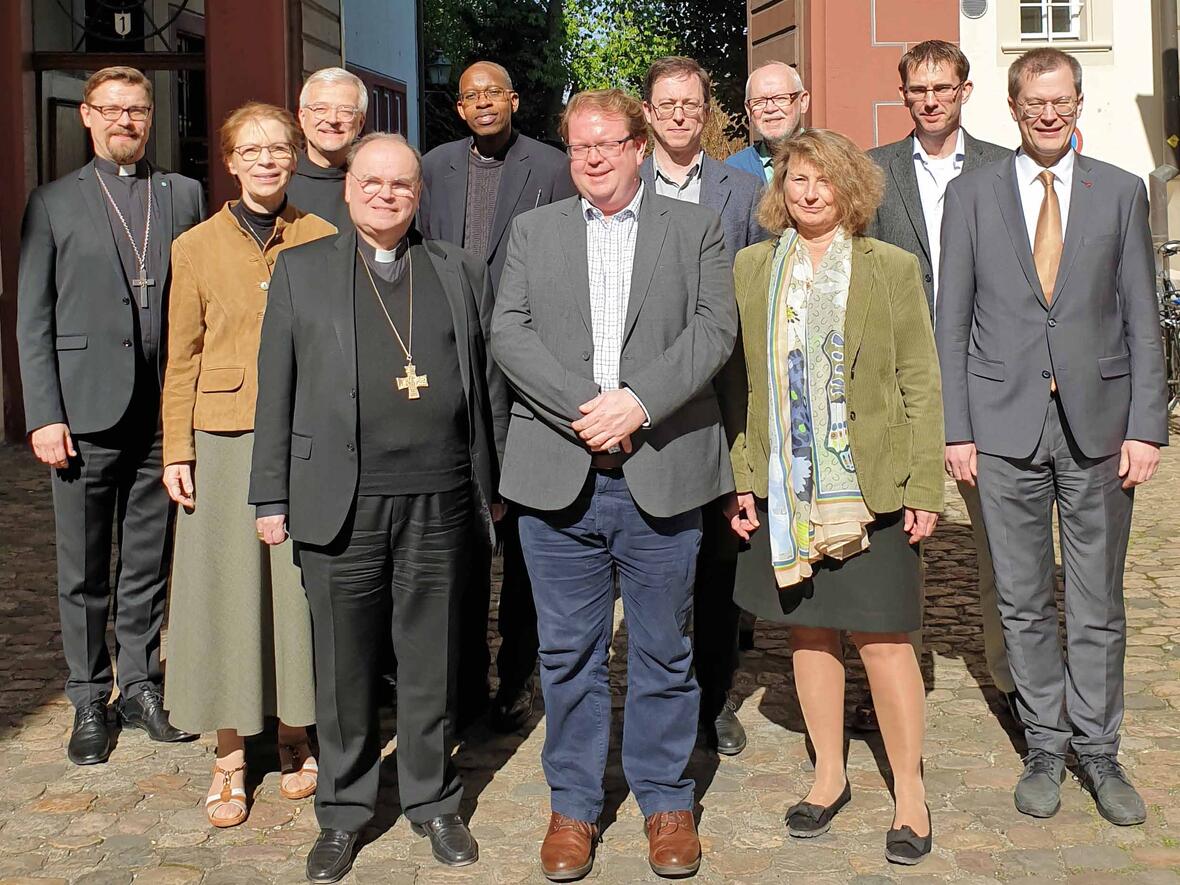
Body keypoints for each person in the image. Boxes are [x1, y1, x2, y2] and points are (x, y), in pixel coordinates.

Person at [491, 88, 737, 881]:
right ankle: (574, 803)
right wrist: (583, 410)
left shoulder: (694, 227)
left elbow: (715, 327)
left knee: (665, 648)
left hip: (660, 470)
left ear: (638, 146)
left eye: (605, 144)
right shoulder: (534, 230)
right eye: (578, 146)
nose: (591, 159)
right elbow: (508, 330)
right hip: (559, 477)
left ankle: (667, 799)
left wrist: (639, 401)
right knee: (567, 653)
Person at [249, 132, 508, 882]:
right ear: (348, 186)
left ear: (418, 193)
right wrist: (270, 493)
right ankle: (343, 810)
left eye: (402, 184)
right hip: (341, 501)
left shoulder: (456, 269)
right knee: (345, 664)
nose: (387, 194)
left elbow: (487, 385)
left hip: (440, 497)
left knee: (432, 659)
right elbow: (277, 392)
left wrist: (490, 485)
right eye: (373, 182)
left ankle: (433, 798)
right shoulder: (301, 272)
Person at [937, 48, 1167, 827]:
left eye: (1060, 100)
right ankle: (1044, 742)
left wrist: (1146, 427)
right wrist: (957, 428)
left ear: (1078, 102)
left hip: (1101, 428)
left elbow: (1142, 318)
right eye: (1034, 101)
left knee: (1098, 600)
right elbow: (951, 320)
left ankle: (1098, 751)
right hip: (1001, 430)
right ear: (1011, 104)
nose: (1047, 113)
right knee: (1023, 598)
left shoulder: (1120, 192)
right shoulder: (971, 195)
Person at [720, 129, 943, 865]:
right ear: (779, 190)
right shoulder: (752, 268)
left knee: (883, 638)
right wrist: (745, 476)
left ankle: (909, 793)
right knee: (810, 634)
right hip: (787, 490)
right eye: (795, 180)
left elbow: (919, 378)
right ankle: (827, 776)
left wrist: (922, 484)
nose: (809, 193)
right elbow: (744, 386)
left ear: (850, 189)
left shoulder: (892, 267)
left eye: (822, 180)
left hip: (870, 489)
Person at [17, 66, 204, 766]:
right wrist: (45, 413)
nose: (126, 120)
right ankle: (88, 696)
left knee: (149, 563)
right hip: (84, 412)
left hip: (162, 411)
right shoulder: (54, 202)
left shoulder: (181, 194)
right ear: (87, 118)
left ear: (151, 118)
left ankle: (139, 684)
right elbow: (32, 318)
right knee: (84, 565)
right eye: (113, 109)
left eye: (138, 110)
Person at [160, 102, 336, 827]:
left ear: (293, 158)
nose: (267, 159)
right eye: (252, 149)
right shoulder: (195, 246)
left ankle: (295, 733)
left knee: (294, 587)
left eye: (278, 148)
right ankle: (230, 749)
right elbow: (182, 356)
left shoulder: (323, 234)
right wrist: (177, 447)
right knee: (225, 592)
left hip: (303, 435)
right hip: (225, 435)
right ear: (230, 161)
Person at [418, 60, 576, 733]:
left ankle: (516, 674)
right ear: (459, 108)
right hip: (447, 361)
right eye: (471, 94)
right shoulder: (433, 167)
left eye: (495, 92)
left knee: (523, 528)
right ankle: (460, 675)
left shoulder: (551, 166)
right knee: (457, 526)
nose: (484, 102)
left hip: (523, 358)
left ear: (515, 99)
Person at [862, 40, 1015, 732]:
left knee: (1002, 540)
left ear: (965, 90)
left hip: (988, 376)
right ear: (905, 94)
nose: (930, 100)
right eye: (918, 89)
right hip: (899, 383)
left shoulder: (1003, 169)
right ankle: (890, 679)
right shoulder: (874, 172)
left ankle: (1015, 679)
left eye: (942, 88)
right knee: (894, 544)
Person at [639, 55, 765, 757]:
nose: (681, 114)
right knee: (657, 558)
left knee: (720, 561)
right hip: (648, 398)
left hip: (722, 396)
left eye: (692, 103)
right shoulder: (627, 186)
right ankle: (664, 688)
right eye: (668, 104)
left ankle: (713, 697)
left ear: (707, 111)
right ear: (650, 113)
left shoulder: (741, 193)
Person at [286, 67, 366, 230]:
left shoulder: (374, 183)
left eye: (345, 111)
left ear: (361, 122)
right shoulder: (279, 181)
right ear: (302, 117)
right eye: (320, 109)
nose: (332, 119)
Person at [727, 61, 810, 183]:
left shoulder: (832, 160)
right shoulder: (734, 170)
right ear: (749, 110)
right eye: (759, 102)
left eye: (780, 98)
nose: (770, 109)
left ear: (803, 102)